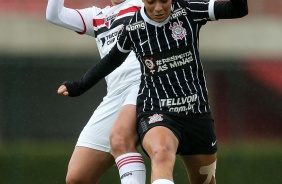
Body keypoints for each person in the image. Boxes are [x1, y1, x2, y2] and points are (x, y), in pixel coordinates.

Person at [58, 0, 248, 183]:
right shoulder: (133, 27)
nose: (158, 8)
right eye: (151, 2)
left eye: (163, 1)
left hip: (196, 112)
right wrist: (79, 86)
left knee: (204, 180)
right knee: (161, 153)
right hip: (157, 110)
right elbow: (110, 61)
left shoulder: (189, 9)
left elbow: (237, 9)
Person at [46, 0, 147, 184]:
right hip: (114, 94)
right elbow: (54, 15)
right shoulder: (97, 16)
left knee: (121, 139)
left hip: (144, 83)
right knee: (77, 177)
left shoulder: (145, 4)